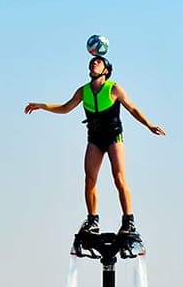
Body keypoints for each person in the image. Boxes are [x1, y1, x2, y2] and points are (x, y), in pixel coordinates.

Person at [24, 55, 165, 235]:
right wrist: (43, 106)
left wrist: (149, 125)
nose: (94, 63)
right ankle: (92, 220)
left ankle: (128, 221)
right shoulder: (83, 91)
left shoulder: (114, 89)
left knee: (119, 177)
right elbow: (66, 108)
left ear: (106, 70)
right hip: (95, 139)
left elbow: (132, 109)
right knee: (89, 180)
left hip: (114, 137)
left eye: (99, 62)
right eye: (92, 61)